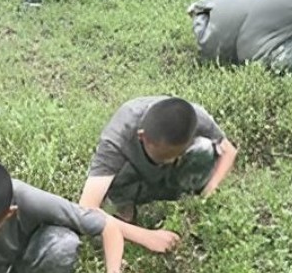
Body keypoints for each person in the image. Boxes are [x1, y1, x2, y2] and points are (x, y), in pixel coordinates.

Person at [78, 96, 237, 254]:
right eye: (163, 156)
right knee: (111, 177)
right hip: (135, 177)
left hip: (170, 178)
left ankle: (185, 195)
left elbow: (229, 151)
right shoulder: (119, 136)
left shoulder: (192, 117)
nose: (170, 161)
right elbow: (86, 208)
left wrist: (209, 191)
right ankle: (125, 210)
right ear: (142, 137)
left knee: (204, 148)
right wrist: (146, 237)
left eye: (177, 155)